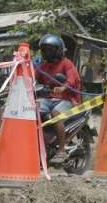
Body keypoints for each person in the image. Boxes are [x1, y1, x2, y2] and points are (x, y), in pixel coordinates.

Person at [35, 34, 82, 164]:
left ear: (58, 50)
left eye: (51, 49)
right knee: (32, 110)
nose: (47, 52)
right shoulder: (43, 66)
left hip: (68, 99)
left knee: (56, 114)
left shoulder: (66, 64)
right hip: (48, 99)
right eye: (45, 50)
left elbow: (72, 79)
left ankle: (61, 150)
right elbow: (33, 77)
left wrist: (63, 87)